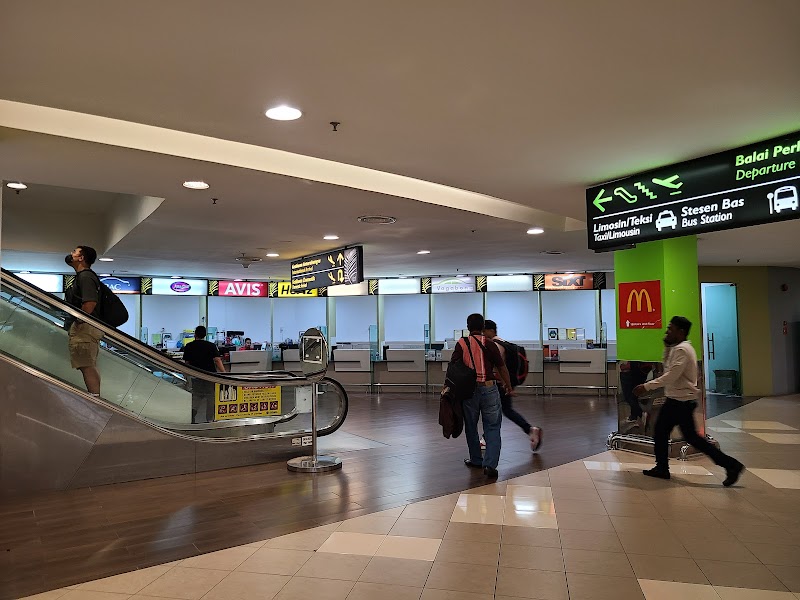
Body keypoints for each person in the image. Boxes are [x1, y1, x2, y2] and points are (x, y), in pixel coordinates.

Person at [634, 316, 744, 486]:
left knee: (682, 436)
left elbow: (671, 376)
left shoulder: (683, 350)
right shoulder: (678, 348)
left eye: (671, 329)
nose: (667, 331)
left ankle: (731, 465)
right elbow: (669, 369)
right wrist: (666, 347)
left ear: (681, 332)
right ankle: (663, 467)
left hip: (680, 403)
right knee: (668, 434)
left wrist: (646, 387)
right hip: (677, 401)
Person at [450, 313, 513, 479]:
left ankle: (476, 459)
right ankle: (490, 464)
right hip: (489, 389)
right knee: (492, 427)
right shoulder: (489, 344)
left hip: (469, 391)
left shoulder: (461, 343)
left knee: (471, 426)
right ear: (483, 326)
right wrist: (508, 385)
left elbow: (453, 367)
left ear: (468, 326)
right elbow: (501, 367)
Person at [483, 320, 543, 451]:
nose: (483, 334)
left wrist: (504, 384)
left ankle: (487, 438)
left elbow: (498, 367)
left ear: (491, 331)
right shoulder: (503, 343)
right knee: (504, 410)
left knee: (494, 410)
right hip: (505, 383)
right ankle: (530, 430)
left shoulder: (495, 345)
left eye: (484, 331)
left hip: (500, 384)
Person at [64, 246, 104, 396]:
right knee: (87, 364)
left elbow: (90, 303)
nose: (71, 253)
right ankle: (95, 397)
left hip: (85, 327)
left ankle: (95, 399)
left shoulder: (85, 276)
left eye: (74, 251)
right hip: (88, 326)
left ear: (81, 258)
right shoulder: (84, 276)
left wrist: (79, 322)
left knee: (86, 364)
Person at [182, 325, 226, 423]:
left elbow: (187, 363)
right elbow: (217, 360)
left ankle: (192, 417)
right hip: (210, 376)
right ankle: (209, 420)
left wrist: (186, 375)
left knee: (197, 397)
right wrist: (224, 373)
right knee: (211, 398)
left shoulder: (189, 346)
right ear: (205, 335)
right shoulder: (211, 346)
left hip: (196, 376)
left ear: (195, 334)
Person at [619, 361, 653, 428]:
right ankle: (634, 416)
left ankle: (640, 413)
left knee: (629, 396)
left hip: (634, 368)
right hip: (644, 368)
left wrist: (627, 365)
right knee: (634, 395)